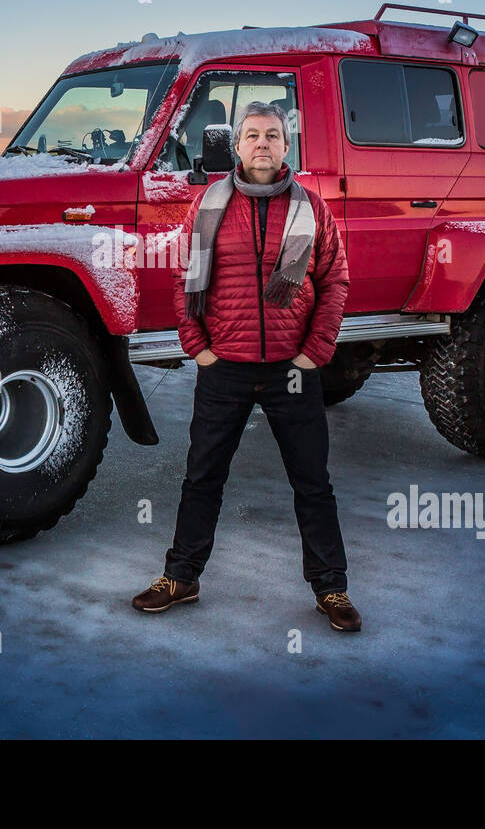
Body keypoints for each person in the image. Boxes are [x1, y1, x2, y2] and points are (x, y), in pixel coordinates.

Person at [130, 101, 360, 632]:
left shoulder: (312, 209)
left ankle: (332, 588)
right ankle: (181, 577)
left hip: (293, 368)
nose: (262, 143)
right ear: (235, 146)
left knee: (313, 483)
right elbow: (184, 278)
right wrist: (199, 348)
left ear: (286, 146)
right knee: (202, 477)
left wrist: (314, 353)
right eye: (252, 134)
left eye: (272, 135)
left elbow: (335, 284)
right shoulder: (209, 203)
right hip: (224, 367)